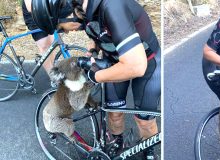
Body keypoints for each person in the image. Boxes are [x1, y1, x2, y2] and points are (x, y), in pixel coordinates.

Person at [31, 0, 161, 159]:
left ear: (66, 13)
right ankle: (116, 143)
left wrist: (94, 76)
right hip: (114, 61)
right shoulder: (86, 11)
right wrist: (93, 50)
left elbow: (136, 66)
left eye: (60, 28)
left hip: (148, 64)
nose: (65, 33)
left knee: (144, 121)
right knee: (114, 113)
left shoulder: (112, 6)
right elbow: (96, 32)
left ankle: (148, 150)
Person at [22, 0, 55, 75]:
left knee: (52, 44)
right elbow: (30, 8)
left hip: (46, 17)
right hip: (33, 18)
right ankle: (53, 77)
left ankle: (53, 69)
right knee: (43, 46)